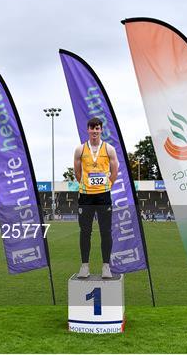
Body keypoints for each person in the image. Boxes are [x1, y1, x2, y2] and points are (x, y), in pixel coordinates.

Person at [74, 117, 119, 279]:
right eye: (92, 128)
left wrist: (108, 185)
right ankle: (84, 266)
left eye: (97, 128)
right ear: (88, 130)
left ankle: (106, 266)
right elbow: (77, 171)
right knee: (85, 231)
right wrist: (85, 185)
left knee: (105, 231)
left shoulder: (109, 149)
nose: (94, 131)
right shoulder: (80, 149)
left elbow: (115, 170)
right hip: (86, 196)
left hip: (103, 196)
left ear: (101, 130)